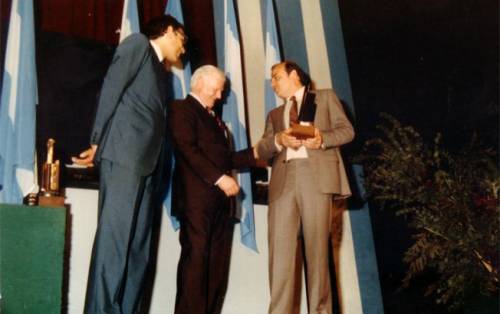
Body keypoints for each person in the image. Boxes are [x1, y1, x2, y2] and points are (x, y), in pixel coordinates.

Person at [71, 15, 187, 314]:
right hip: (124, 158)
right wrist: (97, 140)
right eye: (181, 39)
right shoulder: (138, 44)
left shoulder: (164, 75)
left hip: (147, 169)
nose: (183, 49)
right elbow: (112, 86)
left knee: (138, 252)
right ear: (169, 31)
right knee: (115, 246)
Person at [256, 60, 354, 314]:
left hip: (315, 179)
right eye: (271, 80)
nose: (273, 84)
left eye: (276, 77)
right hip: (282, 184)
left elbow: (347, 131)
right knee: (279, 259)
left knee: (318, 256)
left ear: (295, 75)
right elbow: (263, 149)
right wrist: (279, 139)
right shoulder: (275, 115)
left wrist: (322, 139)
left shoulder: (324, 97)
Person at [167, 65, 257, 314]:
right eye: (217, 89)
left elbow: (225, 158)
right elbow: (187, 148)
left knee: (215, 270)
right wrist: (220, 178)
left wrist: (258, 152)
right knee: (196, 266)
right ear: (199, 83)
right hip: (196, 203)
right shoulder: (181, 109)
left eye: (221, 90)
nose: (220, 96)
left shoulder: (216, 121)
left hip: (220, 206)